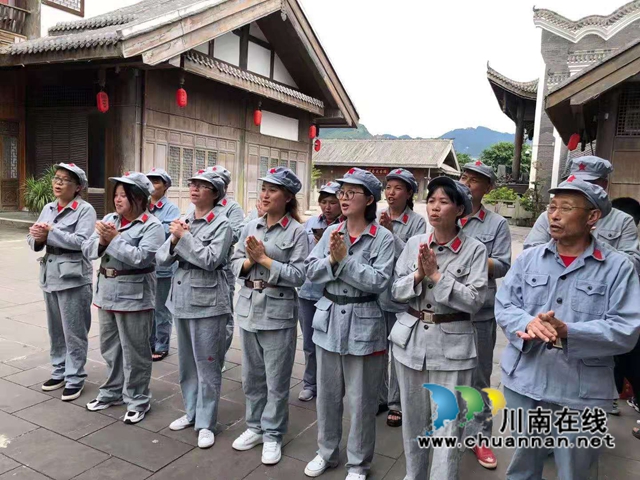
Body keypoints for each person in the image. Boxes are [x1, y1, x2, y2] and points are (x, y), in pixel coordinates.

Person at [496, 177, 640, 479]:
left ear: (592, 217)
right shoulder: (530, 259)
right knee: (522, 468)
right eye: (552, 207)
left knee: (574, 472)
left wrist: (567, 332)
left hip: (583, 392)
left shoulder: (618, 267)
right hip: (526, 383)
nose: (554, 215)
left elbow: (626, 329)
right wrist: (528, 323)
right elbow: (505, 304)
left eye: (566, 207)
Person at [389, 177, 488, 480]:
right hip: (411, 341)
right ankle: (413, 474)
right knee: (414, 421)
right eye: (431, 200)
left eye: (443, 201)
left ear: (460, 209)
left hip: (452, 347)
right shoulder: (413, 244)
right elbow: (396, 290)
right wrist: (419, 275)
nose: (434, 207)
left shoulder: (474, 250)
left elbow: (474, 300)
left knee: (446, 425)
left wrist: (437, 276)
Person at [304, 167, 395, 480]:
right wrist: (332, 260)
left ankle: (358, 464)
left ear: (369, 199)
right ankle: (327, 453)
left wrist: (344, 261)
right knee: (327, 396)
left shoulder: (383, 238)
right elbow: (311, 271)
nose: (343, 198)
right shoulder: (332, 233)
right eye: (341, 192)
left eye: (351, 193)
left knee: (362, 400)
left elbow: (378, 282)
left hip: (365, 322)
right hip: (329, 320)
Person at [230, 167, 308, 465]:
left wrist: (265, 259)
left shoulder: (297, 232)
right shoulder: (251, 226)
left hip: (278, 311)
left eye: (272, 189)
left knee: (276, 379)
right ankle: (254, 426)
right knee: (251, 376)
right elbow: (235, 262)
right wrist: (250, 260)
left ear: (287, 197)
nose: (265, 194)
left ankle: (273, 434)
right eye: (263, 187)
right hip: (249, 306)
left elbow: (300, 275)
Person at [157, 170, 232, 449]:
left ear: (215, 193)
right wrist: (176, 239)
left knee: (208, 365)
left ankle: (206, 422)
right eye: (193, 184)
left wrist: (183, 238)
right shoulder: (185, 220)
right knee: (187, 364)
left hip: (209, 302)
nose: (195, 189)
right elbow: (161, 258)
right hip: (182, 298)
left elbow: (211, 260)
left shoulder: (221, 224)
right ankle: (191, 412)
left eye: (203, 186)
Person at [82, 172, 165, 424]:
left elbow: (143, 258)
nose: (117, 200)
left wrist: (114, 239)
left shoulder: (152, 225)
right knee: (110, 348)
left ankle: (138, 399)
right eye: (116, 195)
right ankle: (111, 392)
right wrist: (103, 242)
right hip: (107, 293)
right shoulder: (109, 219)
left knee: (136, 351)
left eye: (123, 195)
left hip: (135, 296)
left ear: (138, 198)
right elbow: (88, 249)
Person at [27, 163, 97, 401]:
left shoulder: (84, 210)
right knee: (56, 329)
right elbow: (33, 236)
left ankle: (75, 376)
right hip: (50, 274)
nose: (58, 183)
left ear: (77, 187)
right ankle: (59, 371)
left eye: (65, 180)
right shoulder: (48, 207)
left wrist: (51, 232)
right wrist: (37, 238)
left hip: (74, 277)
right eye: (56, 178)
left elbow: (83, 241)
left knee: (74, 330)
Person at [459, 160, 511, 469]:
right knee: (447, 377)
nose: (466, 183)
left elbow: (503, 265)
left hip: (479, 313)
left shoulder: (496, 225)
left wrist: (471, 258)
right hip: (446, 310)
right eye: (464, 176)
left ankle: (478, 438)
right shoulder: (447, 213)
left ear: (488, 188)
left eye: (475, 180)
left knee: (478, 378)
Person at [524, 156, 640, 272]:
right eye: (575, 182)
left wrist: (591, 244)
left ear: (604, 184)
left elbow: (634, 265)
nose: (581, 188)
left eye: (589, 183)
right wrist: (564, 242)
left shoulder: (623, 221)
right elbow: (529, 256)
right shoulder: (549, 216)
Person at [377, 168, 427, 427]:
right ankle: (381, 396)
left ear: (409, 193)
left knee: (398, 350)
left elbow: (411, 258)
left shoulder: (417, 223)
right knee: (377, 349)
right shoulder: (377, 216)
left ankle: (396, 403)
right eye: (388, 187)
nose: (391, 193)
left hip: (402, 298)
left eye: (398, 188)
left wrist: (390, 234)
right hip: (378, 293)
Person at [297, 181, 342, 402]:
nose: (328, 207)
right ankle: (309, 382)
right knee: (309, 343)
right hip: (308, 290)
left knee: (331, 343)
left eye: (333, 202)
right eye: (324, 202)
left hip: (332, 293)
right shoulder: (311, 223)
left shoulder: (346, 226)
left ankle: (330, 385)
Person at [146, 168, 180, 362]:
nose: (152, 185)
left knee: (161, 308)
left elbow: (168, 233)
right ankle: (149, 341)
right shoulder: (143, 206)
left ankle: (162, 344)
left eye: (156, 181)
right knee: (148, 307)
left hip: (163, 268)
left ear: (165, 186)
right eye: (149, 181)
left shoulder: (171, 209)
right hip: (144, 266)